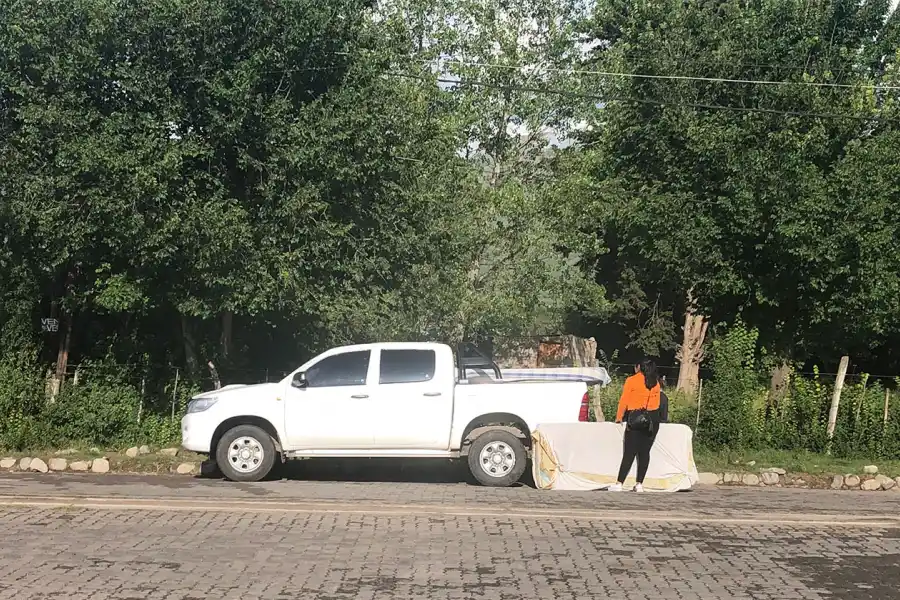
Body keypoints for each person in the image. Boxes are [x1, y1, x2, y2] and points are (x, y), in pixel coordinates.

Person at [609, 360, 662, 492]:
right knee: (644, 452)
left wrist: (619, 417)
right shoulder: (655, 383)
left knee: (629, 452)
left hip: (636, 418)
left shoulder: (632, 380)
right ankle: (639, 484)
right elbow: (657, 404)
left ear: (639, 367)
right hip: (653, 419)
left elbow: (624, 400)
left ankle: (620, 482)